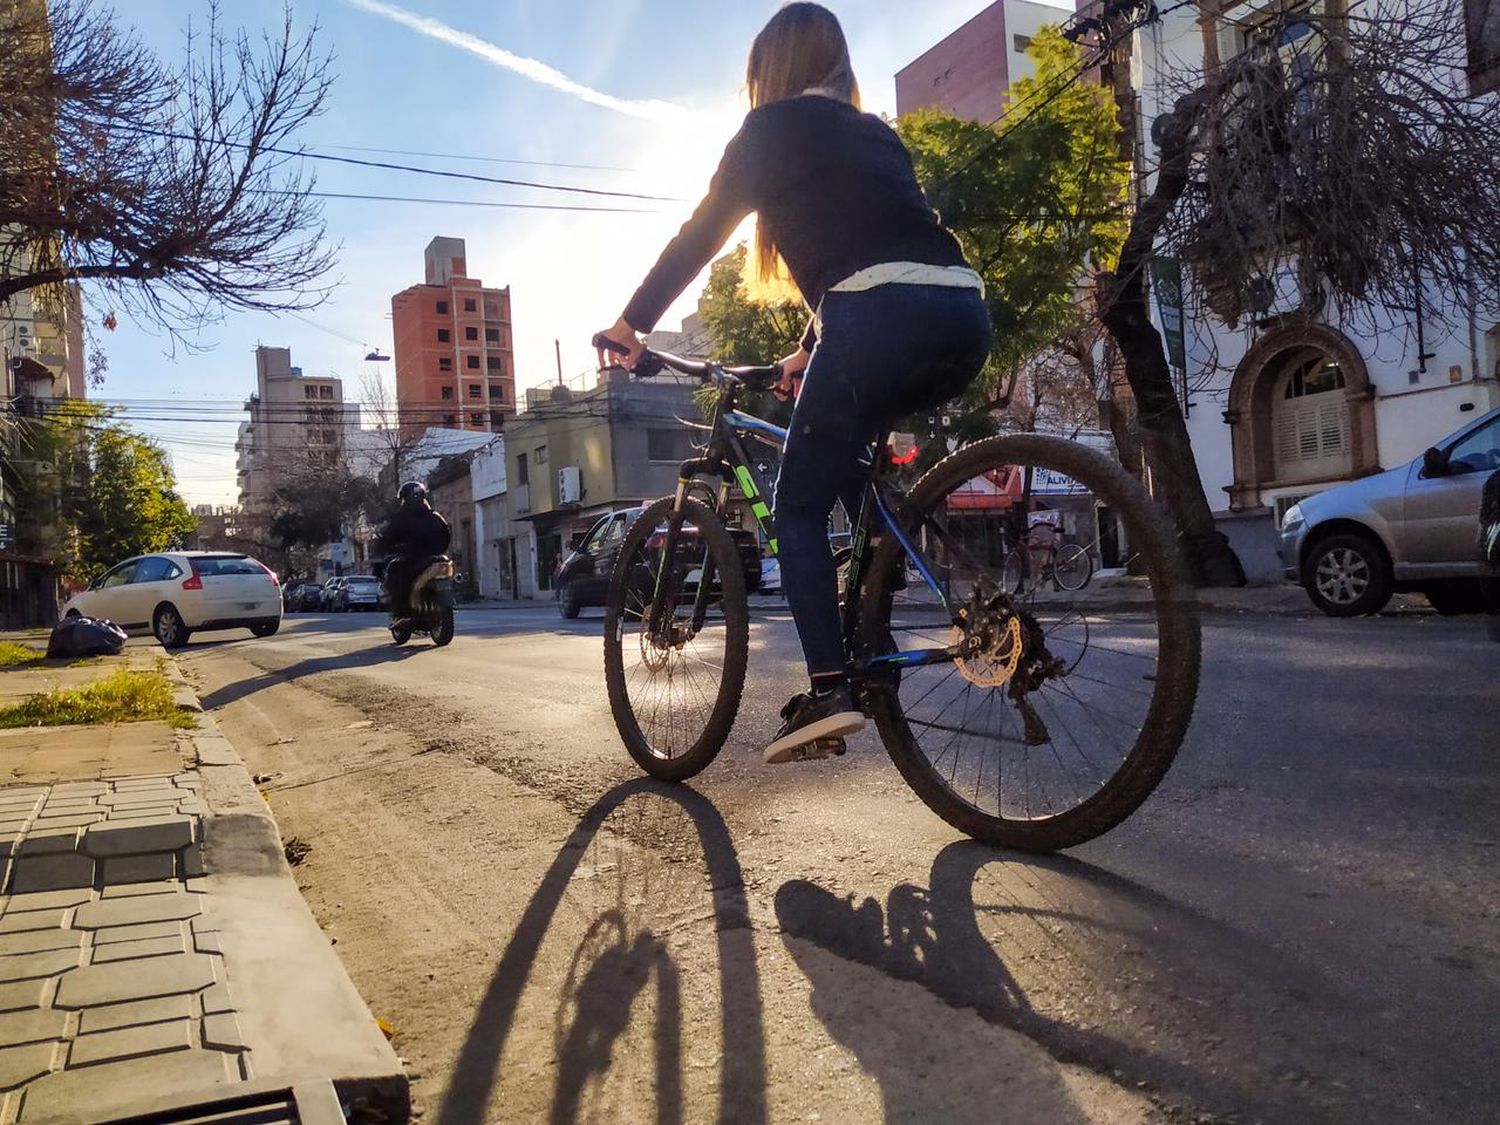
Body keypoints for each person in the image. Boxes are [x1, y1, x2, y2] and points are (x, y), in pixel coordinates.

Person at [593, 2, 992, 764]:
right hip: (960, 313)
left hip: (875, 318)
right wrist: (807, 351)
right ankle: (882, 596)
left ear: (766, 72)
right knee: (851, 472)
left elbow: (702, 231)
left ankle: (832, 686)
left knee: (796, 507)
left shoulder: (768, 131)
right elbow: (871, 250)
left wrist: (631, 323)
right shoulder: (876, 134)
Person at [375, 481, 451, 624]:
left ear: (404, 498)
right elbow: (447, 535)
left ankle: (402, 613)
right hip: (436, 558)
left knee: (394, 573)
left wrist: (383, 550)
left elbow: (388, 539)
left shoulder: (401, 518)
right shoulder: (435, 516)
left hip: (413, 559)